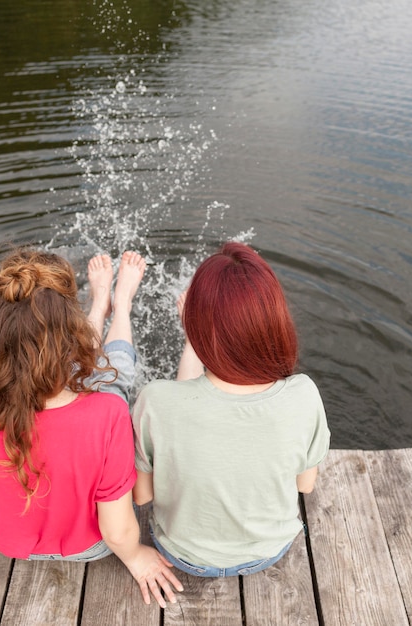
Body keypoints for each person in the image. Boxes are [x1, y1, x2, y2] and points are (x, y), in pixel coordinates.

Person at [0, 247, 182, 608]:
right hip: (90, 548)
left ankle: (98, 305)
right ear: (71, 339)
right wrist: (137, 557)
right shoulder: (108, 415)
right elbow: (117, 530)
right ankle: (118, 305)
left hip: (12, 548)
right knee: (114, 376)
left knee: (89, 373)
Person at [132, 241, 330, 577]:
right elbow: (305, 485)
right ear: (274, 318)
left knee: (183, 400)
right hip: (268, 550)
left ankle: (195, 343)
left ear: (197, 325)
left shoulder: (155, 400)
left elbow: (142, 495)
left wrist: (196, 335)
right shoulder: (305, 394)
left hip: (180, 552)